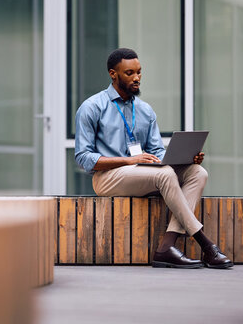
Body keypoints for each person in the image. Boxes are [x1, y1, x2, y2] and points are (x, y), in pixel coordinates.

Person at [75, 48, 232, 269]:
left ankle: (166, 247)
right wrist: (128, 160)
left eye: (139, 72)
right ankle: (206, 244)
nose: (137, 78)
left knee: (198, 173)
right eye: (129, 73)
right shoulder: (92, 107)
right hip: (106, 178)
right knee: (165, 174)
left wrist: (186, 159)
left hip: (143, 173)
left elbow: (157, 152)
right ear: (113, 74)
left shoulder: (145, 110)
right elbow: (83, 157)